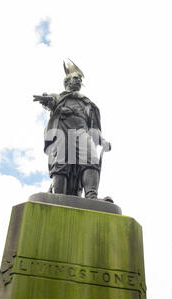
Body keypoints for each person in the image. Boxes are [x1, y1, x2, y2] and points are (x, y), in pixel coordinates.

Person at [34, 60, 111, 199]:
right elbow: (50, 101)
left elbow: (94, 127)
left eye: (80, 80)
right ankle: (58, 197)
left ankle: (92, 197)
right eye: (76, 78)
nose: (79, 81)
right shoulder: (59, 97)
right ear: (67, 81)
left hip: (82, 133)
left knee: (91, 159)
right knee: (61, 165)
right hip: (62, 132)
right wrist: (47, 101)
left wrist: (102, 140)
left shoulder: (87, 103)